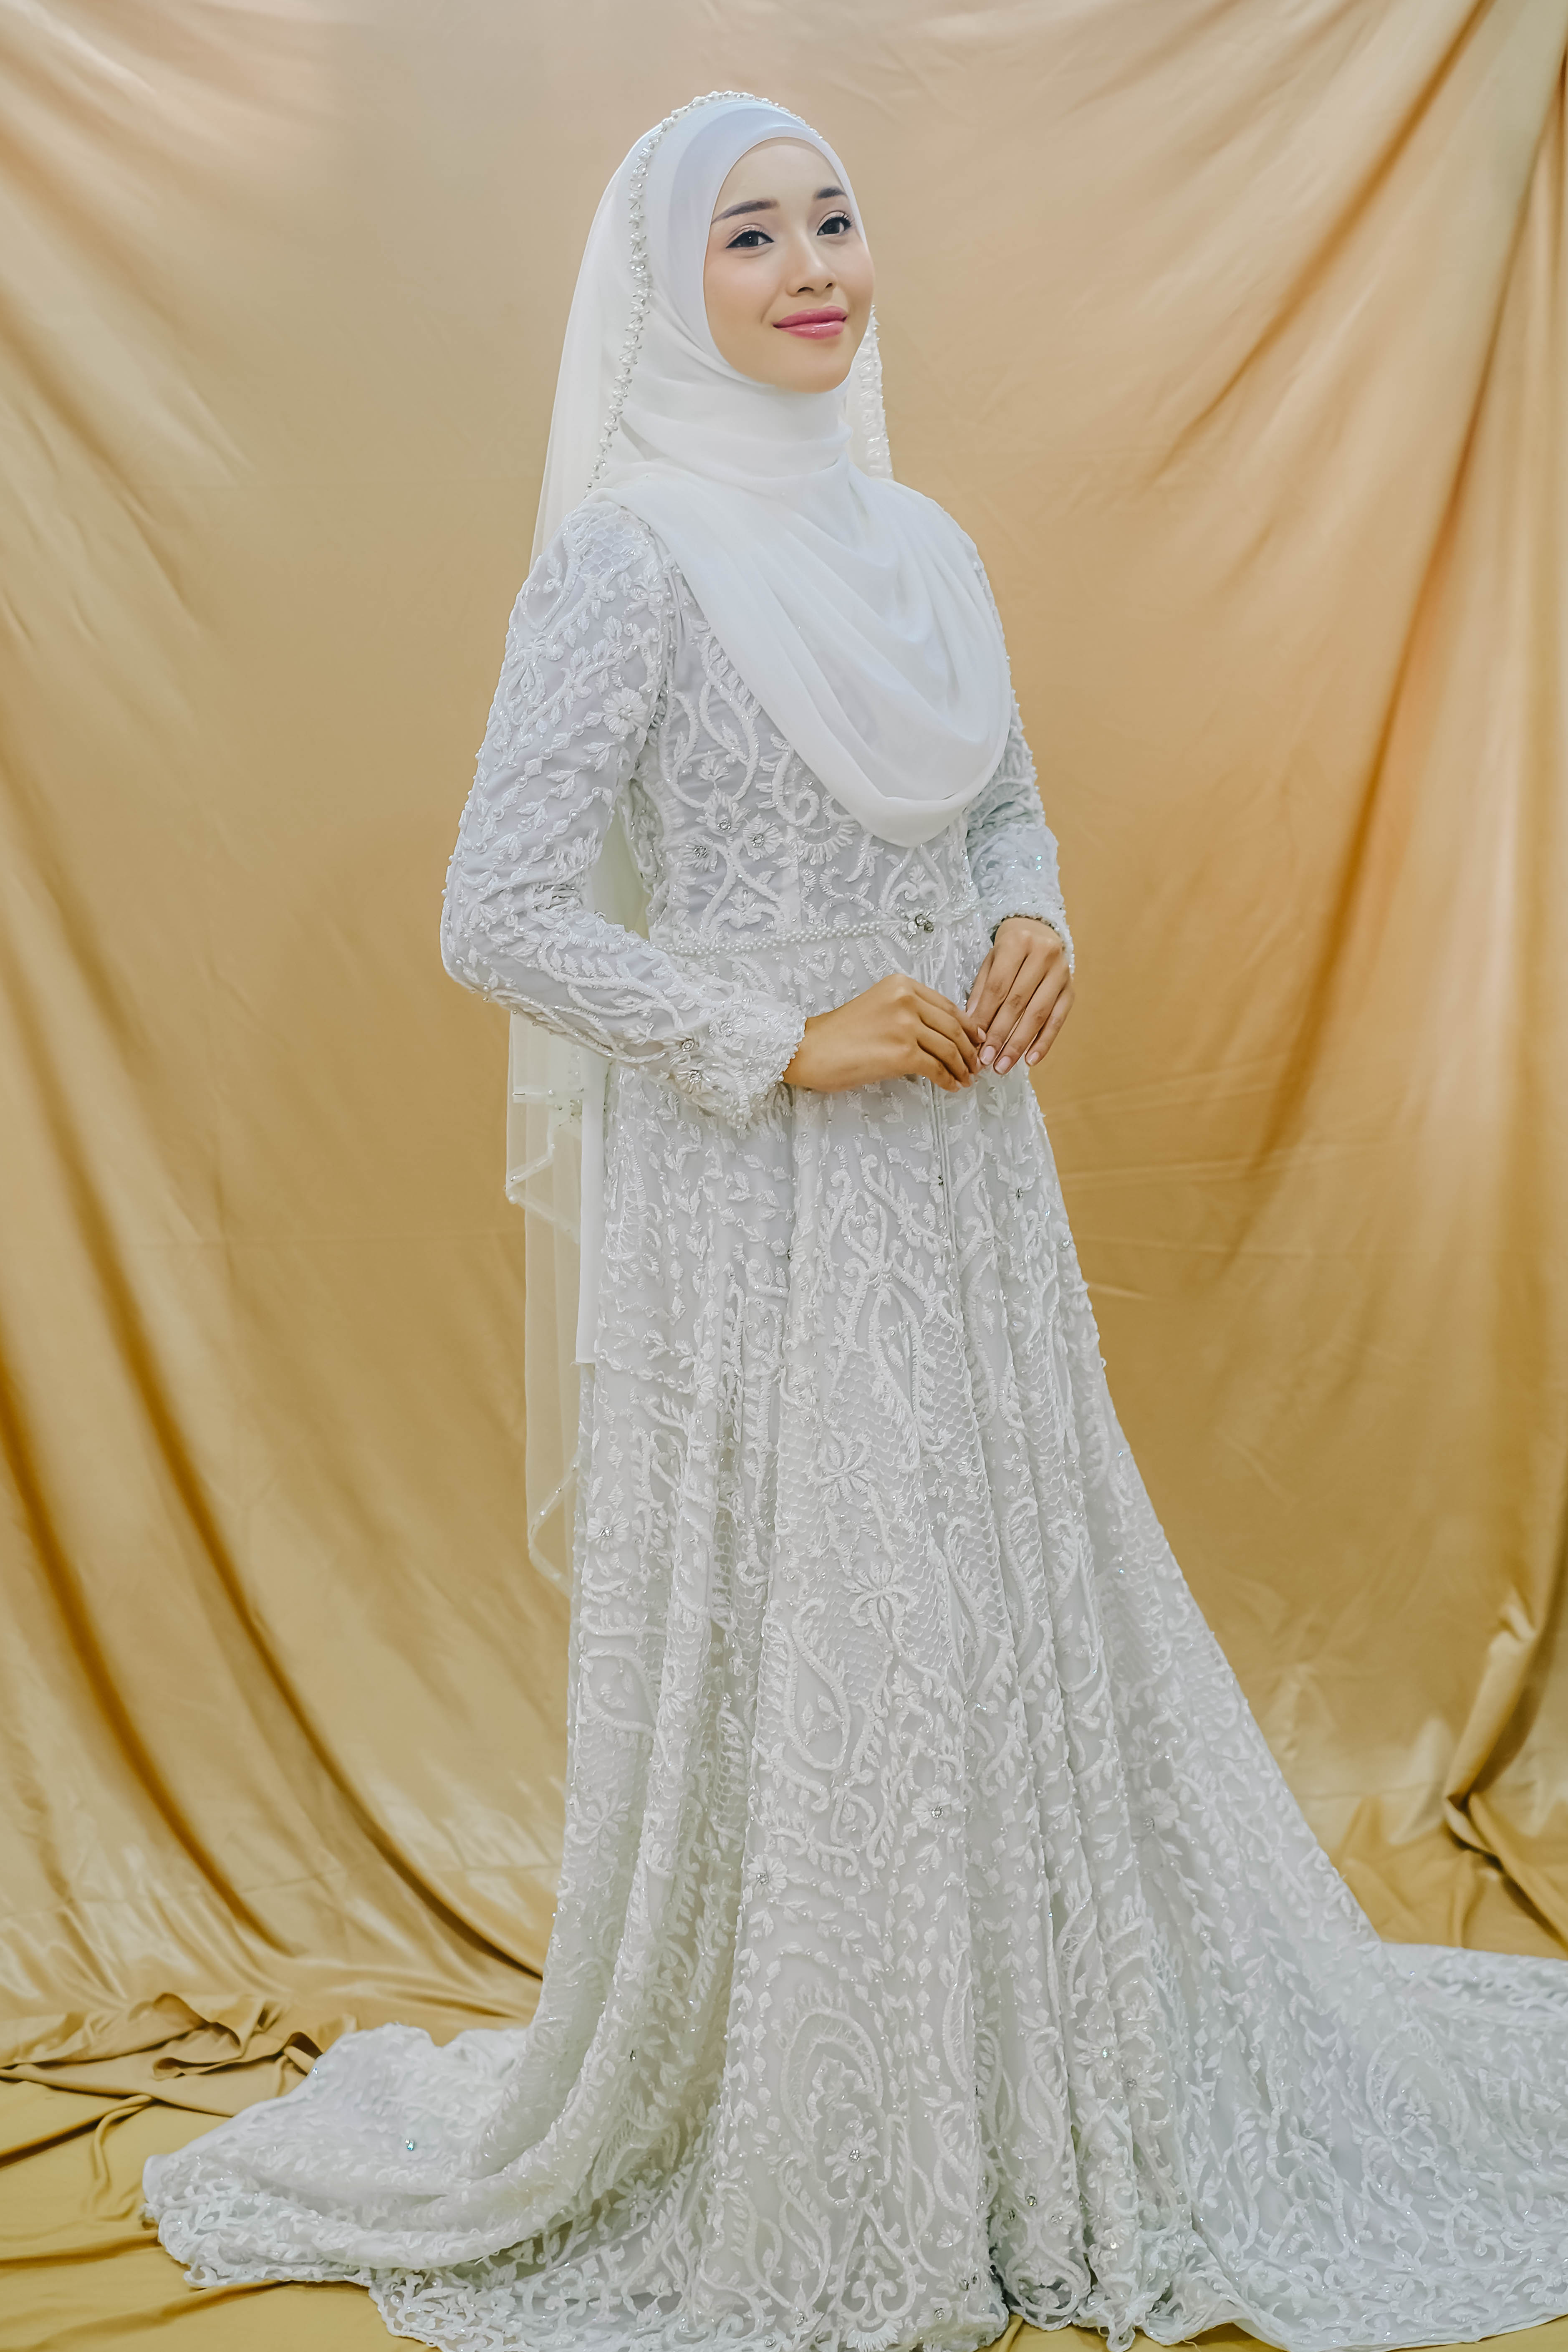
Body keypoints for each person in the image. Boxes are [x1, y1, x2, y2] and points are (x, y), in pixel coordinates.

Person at [145, 91, 1568, 2352]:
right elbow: (498, 906)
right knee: (824, 1629)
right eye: (752, 235)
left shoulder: (923, 543)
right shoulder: (630, 560)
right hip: (758, 1191)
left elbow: (1001, 800)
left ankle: (1023, 2089)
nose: (814, 265)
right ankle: (838, 2128)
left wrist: (1033, 918)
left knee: (972, 1606)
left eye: (832, 220)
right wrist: (774, 1035)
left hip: (960, 1171)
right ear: (665, 290)